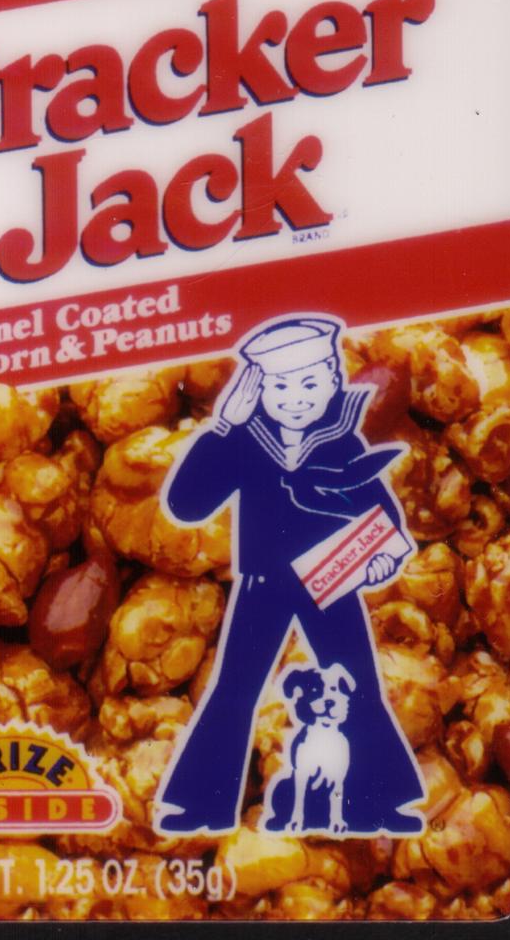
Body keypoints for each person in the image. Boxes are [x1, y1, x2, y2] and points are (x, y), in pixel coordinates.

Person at [155, 315, 424, 836]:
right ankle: (202, 804)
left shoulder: (340, 443)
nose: (296, 398)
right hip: (263, 584)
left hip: (331, 583)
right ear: (257, 390)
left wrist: (384, 556)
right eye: (280, 387)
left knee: (360, 684)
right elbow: (187, 504)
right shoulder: (244, 442)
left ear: (332, 381)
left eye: (309, 384)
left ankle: (379, 801)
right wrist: (223, 429)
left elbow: (381, 512)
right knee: (234, 688)